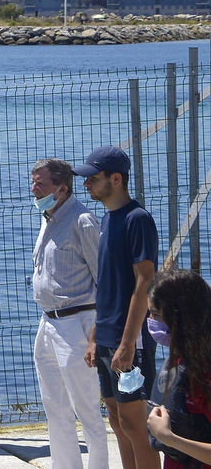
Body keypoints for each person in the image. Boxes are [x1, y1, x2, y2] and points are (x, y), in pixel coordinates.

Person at [77, 145, 160, 469]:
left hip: (131, 340)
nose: (87, 185)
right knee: (117, 419)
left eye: (93, 179)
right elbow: (107, 286)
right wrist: (96, 336)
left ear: (116, 179)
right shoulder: (108, 218)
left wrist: (128, 343)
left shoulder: (137, 219)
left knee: (137, 425)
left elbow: (144, 283)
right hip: (108, 337)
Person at [29, 158, 109, 469]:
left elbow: (105, 280)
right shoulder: (47, 215)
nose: (33, 189)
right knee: (54, 405)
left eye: (41, 184)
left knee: (86, 408)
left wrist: (94, 335)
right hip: (47, 323)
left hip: (77, 322)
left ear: (62, 189)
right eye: (33, 182)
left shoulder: (82, 221)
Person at [145, 268, 211, 469]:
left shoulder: (205, 374)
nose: (150, 321)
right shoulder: (183, 361)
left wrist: (169, 438)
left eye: (155, 314)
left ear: (179, 317)